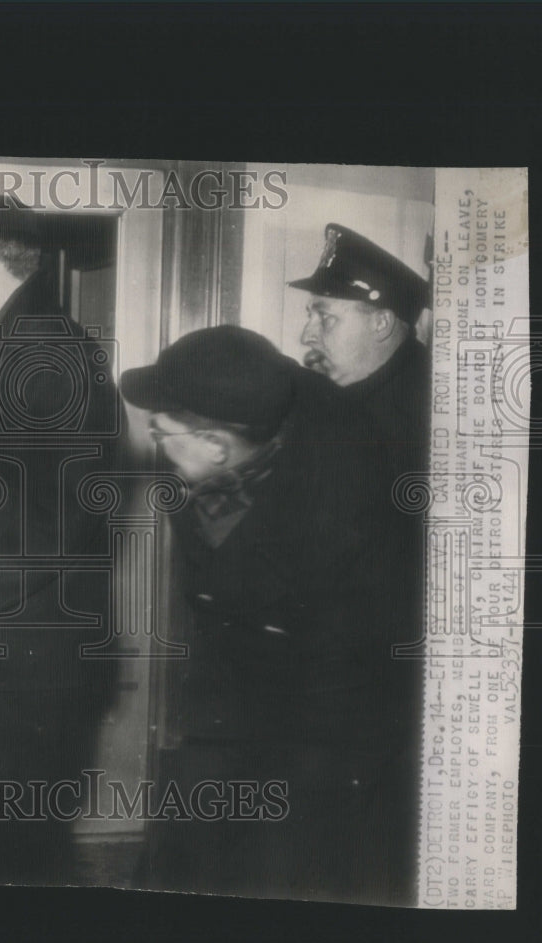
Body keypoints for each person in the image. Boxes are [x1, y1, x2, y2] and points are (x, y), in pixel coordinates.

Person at [123, 326, 420, 905]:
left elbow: (334, 690)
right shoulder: (258, 405)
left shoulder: (336, 517)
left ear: (216, 446)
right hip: (244, 687)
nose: (155, 440)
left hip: (328, 725)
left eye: (163, 431)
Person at [0, 197, 121, 882]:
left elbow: (67, 510)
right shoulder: (22, 341)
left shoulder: (43, 350)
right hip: (13, 645)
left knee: (14, 851)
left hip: (25, 651)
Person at [289, 222, 432, 477]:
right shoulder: (346, 397)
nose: (306, 337)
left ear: (381, 324)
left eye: (326, 318)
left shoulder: (421, 421)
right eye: (310, 317)